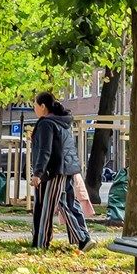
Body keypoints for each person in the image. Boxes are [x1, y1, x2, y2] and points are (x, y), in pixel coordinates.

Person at [30, 91, 91, 251]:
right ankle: (83, 238)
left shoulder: (46, 124)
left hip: (54, 171)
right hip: (68, 169)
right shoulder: (62, 123)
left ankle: (41, 244)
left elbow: (45, 150)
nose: (34, 109)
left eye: (35, 105)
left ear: (43, 106)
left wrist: (37, 173)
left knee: (47, 207)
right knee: (67, 203)